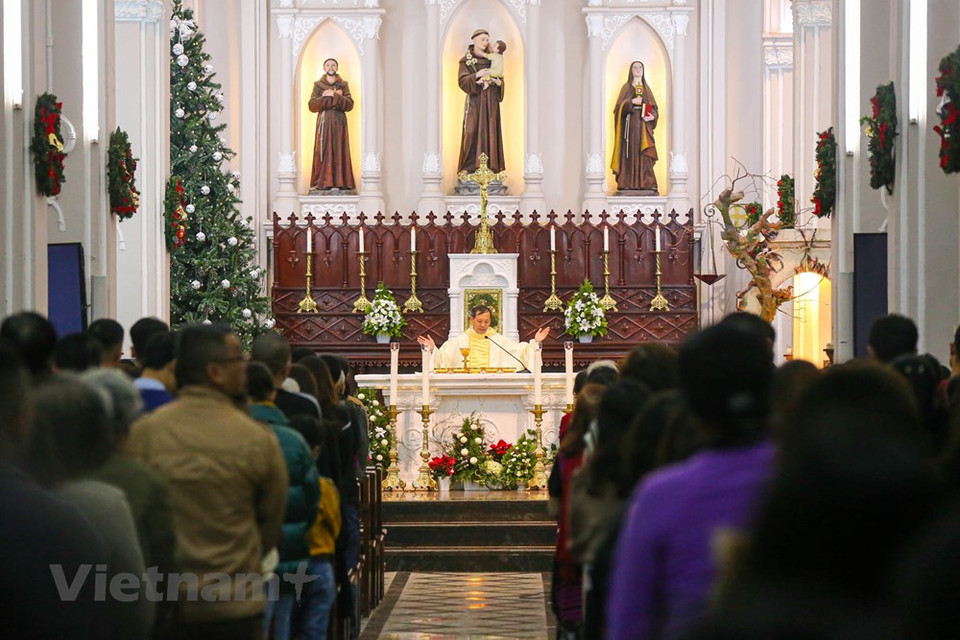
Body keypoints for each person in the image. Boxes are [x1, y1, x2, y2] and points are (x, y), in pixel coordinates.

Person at [127, 324, 289, 637]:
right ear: (215, 372)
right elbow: (270, 526)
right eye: (238, 361)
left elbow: (134, 518)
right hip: (234, 608)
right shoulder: (256, 438)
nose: (245, 367)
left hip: (166, 606)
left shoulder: (144, 433)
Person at [417, 305, 549, 371]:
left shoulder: (497, 340)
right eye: (479, 321)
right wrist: (433, 349)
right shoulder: (458, 341)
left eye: (486, 321)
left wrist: (536, 342)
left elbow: (521, 351)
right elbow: (442, 360)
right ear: (471, 320)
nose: (483, 325)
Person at [457, 29, 506, 178]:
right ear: (475, 40)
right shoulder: (466, 60)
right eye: (483, 39)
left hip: (491, 102)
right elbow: (462, 81)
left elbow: (500, 76)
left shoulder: (494, 58)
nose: (486, 42)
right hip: (476, 101)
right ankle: (468, 167)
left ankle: (492, 168)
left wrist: (499, 84)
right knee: (471, 131)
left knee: (490, 131)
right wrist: (477, 75)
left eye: (487, 40)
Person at [611, 60, 659, 195]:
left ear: (643, 71)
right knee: (629, 153)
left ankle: (647, 183)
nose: (638, 69)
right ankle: (627, 183)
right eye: (635, 67)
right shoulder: (626, 88)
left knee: (645, 154)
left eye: (640, 67)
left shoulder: (647, 89)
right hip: (630, 127)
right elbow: (617, 109)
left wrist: (652, 116)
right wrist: (630, 102)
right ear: (631, 71)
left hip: (643, 127)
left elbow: (654, 108)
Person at [308, 58, 355, 193]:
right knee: (324, 150)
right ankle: (323, 182)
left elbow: (350, 104)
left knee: (339, 149)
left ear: (337, 67)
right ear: (324, 68)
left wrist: (333, 95)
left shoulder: (343, 84)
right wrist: (328, 96)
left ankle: (339, 182)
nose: (331, 67)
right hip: (324, 122)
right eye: (328, 65)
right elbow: (312, 105)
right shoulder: (318, 85)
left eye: (333, 65)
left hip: (339, 123)